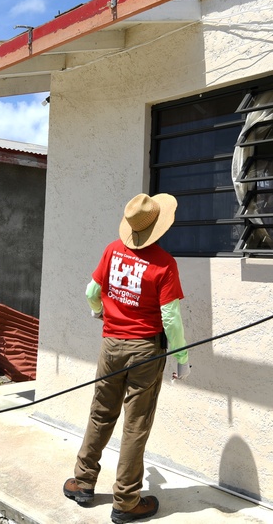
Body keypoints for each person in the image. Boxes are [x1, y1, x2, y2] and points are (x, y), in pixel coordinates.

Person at [63, 192, 191, 523]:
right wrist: (182, 359)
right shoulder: (164, 264)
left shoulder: (111, 250)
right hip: (144, 351)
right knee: (135, 425)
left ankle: (82, 481)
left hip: (111, 347)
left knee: (100, 414)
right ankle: (126, 500)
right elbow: (171, 318)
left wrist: (98, 313)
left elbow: (91, 292)